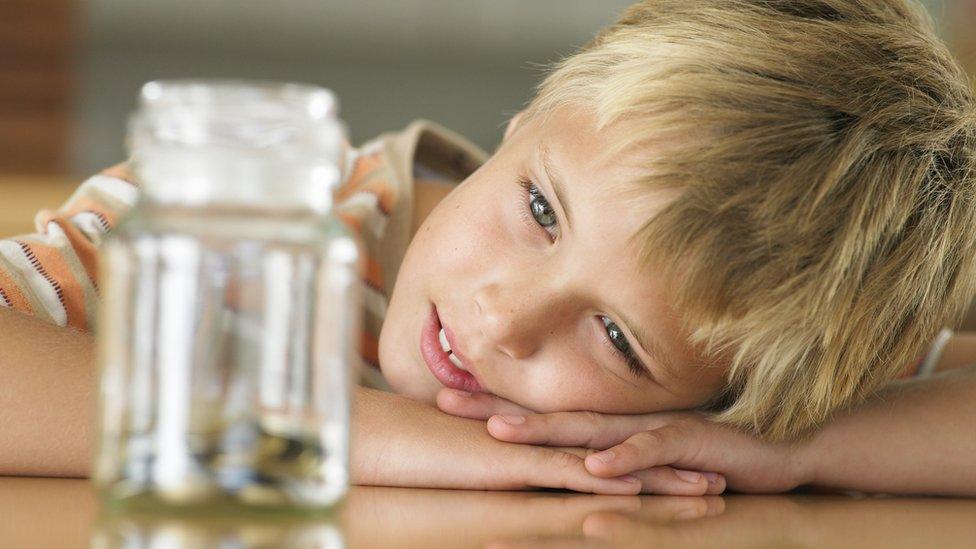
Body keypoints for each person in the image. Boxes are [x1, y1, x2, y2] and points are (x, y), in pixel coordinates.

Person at [2, 0, 975, 496]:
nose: (503, 317)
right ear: (526, 121)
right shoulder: (245, 223)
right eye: (542, 211)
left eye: (618, 341)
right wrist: (359, 435)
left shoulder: (764, 356)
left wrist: (792, 447)